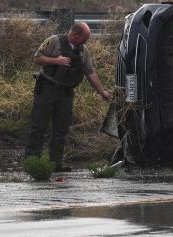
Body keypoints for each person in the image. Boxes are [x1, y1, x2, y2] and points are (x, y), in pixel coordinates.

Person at [25, 22, 112, 172]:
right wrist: (56, 61)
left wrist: (102, 91)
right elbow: (37, 58)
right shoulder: (54, 41)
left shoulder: (82, 50)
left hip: (66, 93)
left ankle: (55, 164)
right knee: (38, 127)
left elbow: (90, 72)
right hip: (47, 89)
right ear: (74, 34)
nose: (85, 42)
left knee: (61, 129)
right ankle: (32, 163)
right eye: (83, 39)